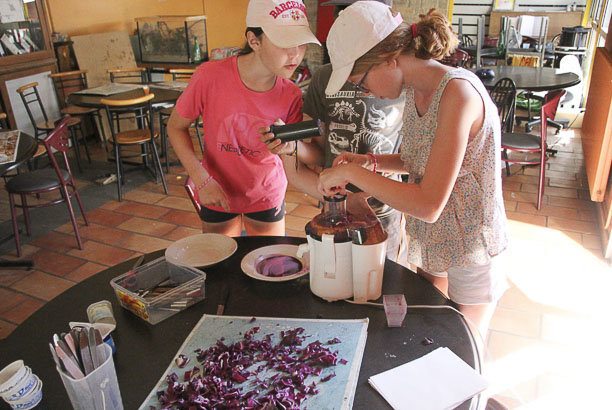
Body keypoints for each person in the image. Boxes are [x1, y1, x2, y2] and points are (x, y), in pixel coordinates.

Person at [317, 2, 509, 337]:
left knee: (464, 346)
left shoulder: (458, 94)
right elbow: (421, 158)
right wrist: (371, 162)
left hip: (469, 245)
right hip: (434, 241)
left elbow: (428, 204)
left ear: (389, 58)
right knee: (428, 335)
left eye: (361, 82)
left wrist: (353, 175)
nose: (365, 92)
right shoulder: (416, 91)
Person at [262, 0, 409, 267]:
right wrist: (291, 148)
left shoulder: (402, 83)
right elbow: (316, 153)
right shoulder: (324, 79)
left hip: (382, 211)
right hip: (333, 207)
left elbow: (413, 159)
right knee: (334, 275)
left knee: (379, 279)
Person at [167, 0, 320, 237]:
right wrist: (201, 179)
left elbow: (294, 164)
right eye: (284, 43)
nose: (295, 54)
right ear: (254, 41)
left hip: (266, 193)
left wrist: (290, 148)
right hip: (216, 188)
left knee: (267, 265)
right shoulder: (210, 77)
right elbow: (175, 127)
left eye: (301, 44)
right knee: (221, 264)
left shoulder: (290, 93)